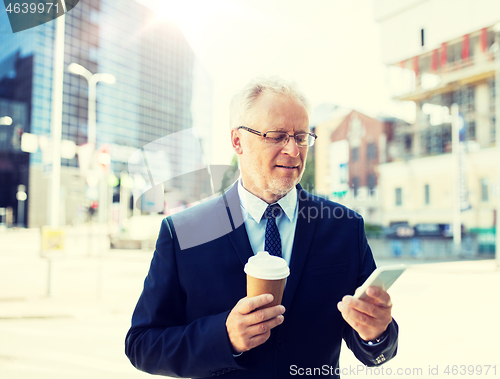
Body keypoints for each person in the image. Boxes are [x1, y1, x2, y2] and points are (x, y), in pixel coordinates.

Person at [125, 76, 398, 378]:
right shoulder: (184, 232)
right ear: (237, 141)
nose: (294, 150)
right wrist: (223, 337)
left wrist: (376, 332)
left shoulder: (345, 228)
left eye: (302, 137)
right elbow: (142, 345)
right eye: (277, 135)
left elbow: (374, 347)